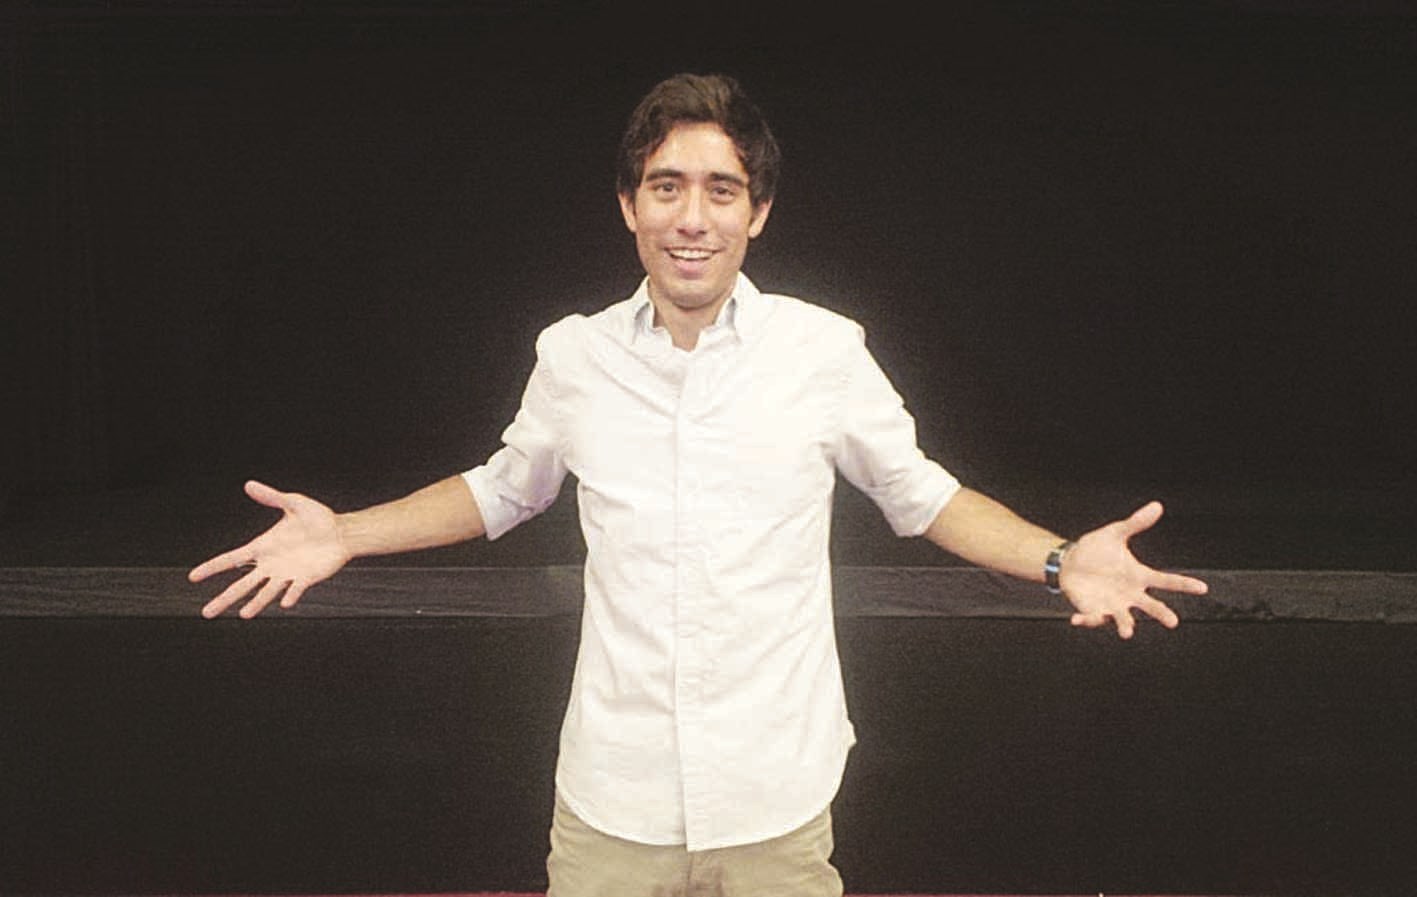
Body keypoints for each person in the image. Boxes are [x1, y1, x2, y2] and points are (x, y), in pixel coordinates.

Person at [190, 72, 1209, 897]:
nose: (692, 217)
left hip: (775, 803)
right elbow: (504, 489)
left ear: (757, 212)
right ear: (628, 205)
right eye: (666, 186)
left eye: (721, 190)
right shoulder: (574, 355)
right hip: (612, 804)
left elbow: (926, 496)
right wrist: (345, 534)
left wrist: (1058, 560)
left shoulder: (823, 351)